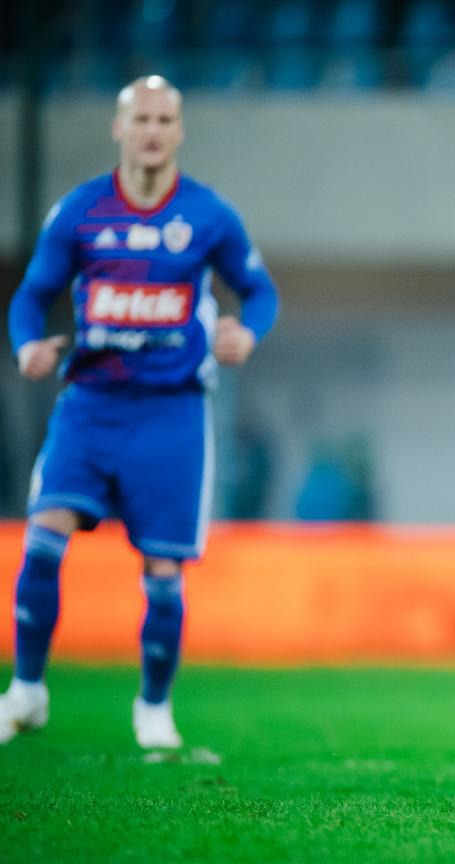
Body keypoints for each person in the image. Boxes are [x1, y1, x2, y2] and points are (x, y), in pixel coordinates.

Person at [0, 76, 279, 749]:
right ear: (119, 128)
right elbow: (31, 294)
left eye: (164, 120)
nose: (153, 131)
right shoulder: (81, 211)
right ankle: (27, 692)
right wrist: (27, 344)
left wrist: (247, 332)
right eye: (142, 119)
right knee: (44, 535)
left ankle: (154, 710)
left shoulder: (207, 215)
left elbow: (259, 291)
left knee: (162, 572)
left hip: (170, 414)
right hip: (90, 405)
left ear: (178, 131)